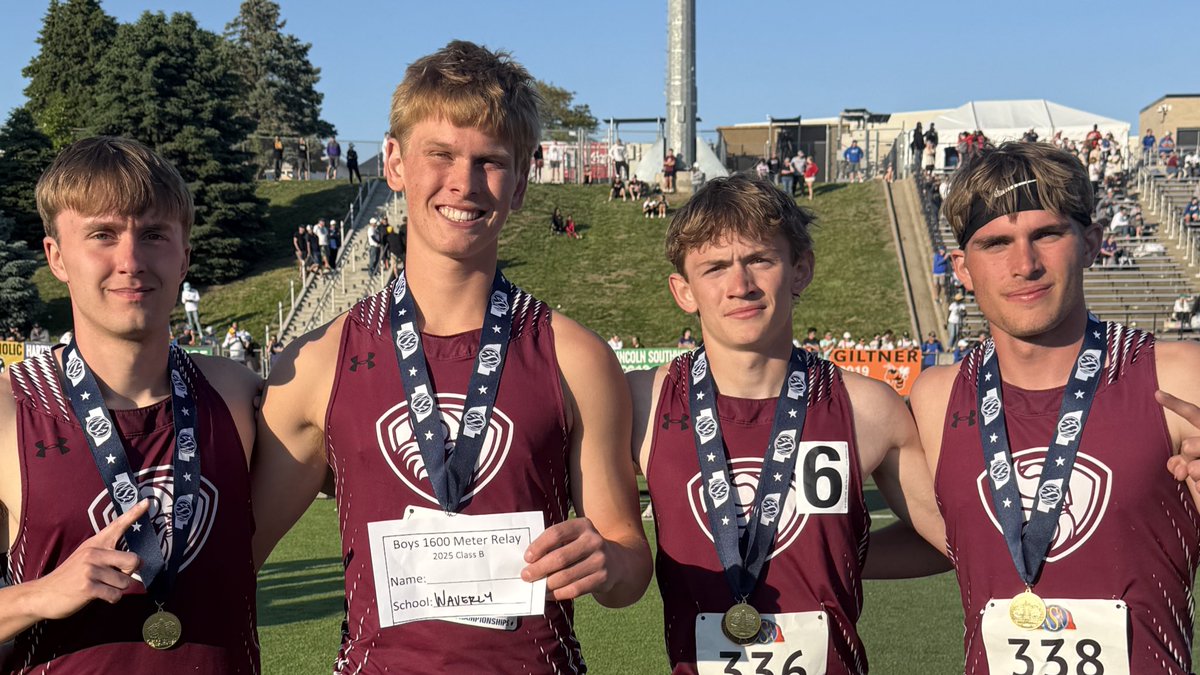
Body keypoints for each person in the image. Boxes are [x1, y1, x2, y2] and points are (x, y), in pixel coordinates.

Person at [250, 40, 652, 673]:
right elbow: (233, 559)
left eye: (490, 161)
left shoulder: (575, 356)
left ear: (521, 184)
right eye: (440, 154)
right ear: (394, 162)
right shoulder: (320, 363)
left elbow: (629, 564)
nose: (463, 183)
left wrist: (608, 560)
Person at [628, 174, 945, 673]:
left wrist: (842, 555)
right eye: (715, 267)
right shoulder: (640, 403)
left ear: (800, 270)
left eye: (760, 260)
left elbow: (959, 541)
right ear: (683, 291)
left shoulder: (866, 408)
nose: (740, 286)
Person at [910, 140, 1200, 674]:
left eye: (1046, 234)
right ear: (963, 269)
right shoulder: (936, 397)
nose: (1024, 265)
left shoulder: (1178, 377)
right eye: (996, 243)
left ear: (1091, 243)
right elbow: (936, 535)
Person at [0, 136, 261, 672]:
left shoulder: (238, 397)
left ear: (185, 256)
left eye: (154, 235)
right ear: (56, 257)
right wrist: (39, 595)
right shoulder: (11, 410)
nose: (131, 261)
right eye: (102, 234)